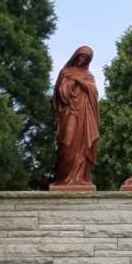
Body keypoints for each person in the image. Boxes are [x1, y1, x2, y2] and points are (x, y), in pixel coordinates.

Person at [51, 46, 99, 188]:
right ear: (76, 56)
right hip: (69, 112)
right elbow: (61, 94)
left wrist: (79, 81)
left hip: (84, 114)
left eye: (86, 59)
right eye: (81, 56)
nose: (82, 60)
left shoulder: (88, 75)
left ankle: (80, 178)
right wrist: (71, 82)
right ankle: (63, 179)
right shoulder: (65, 72)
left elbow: (93, 92)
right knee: (67, 142)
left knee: (83, 145)